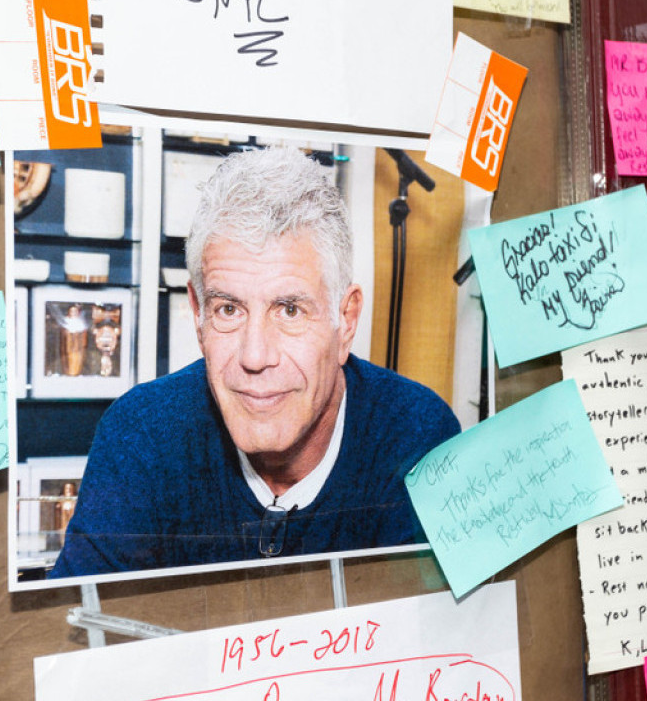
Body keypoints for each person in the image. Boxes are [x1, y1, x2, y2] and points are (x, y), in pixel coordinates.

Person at [49, 148, 460, 577]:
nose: (255, 356)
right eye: (228, 309)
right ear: (198, 315)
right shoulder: (141, 435)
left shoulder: (418, 439)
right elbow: (79, 614)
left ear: (346, 320)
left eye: (290, 310)